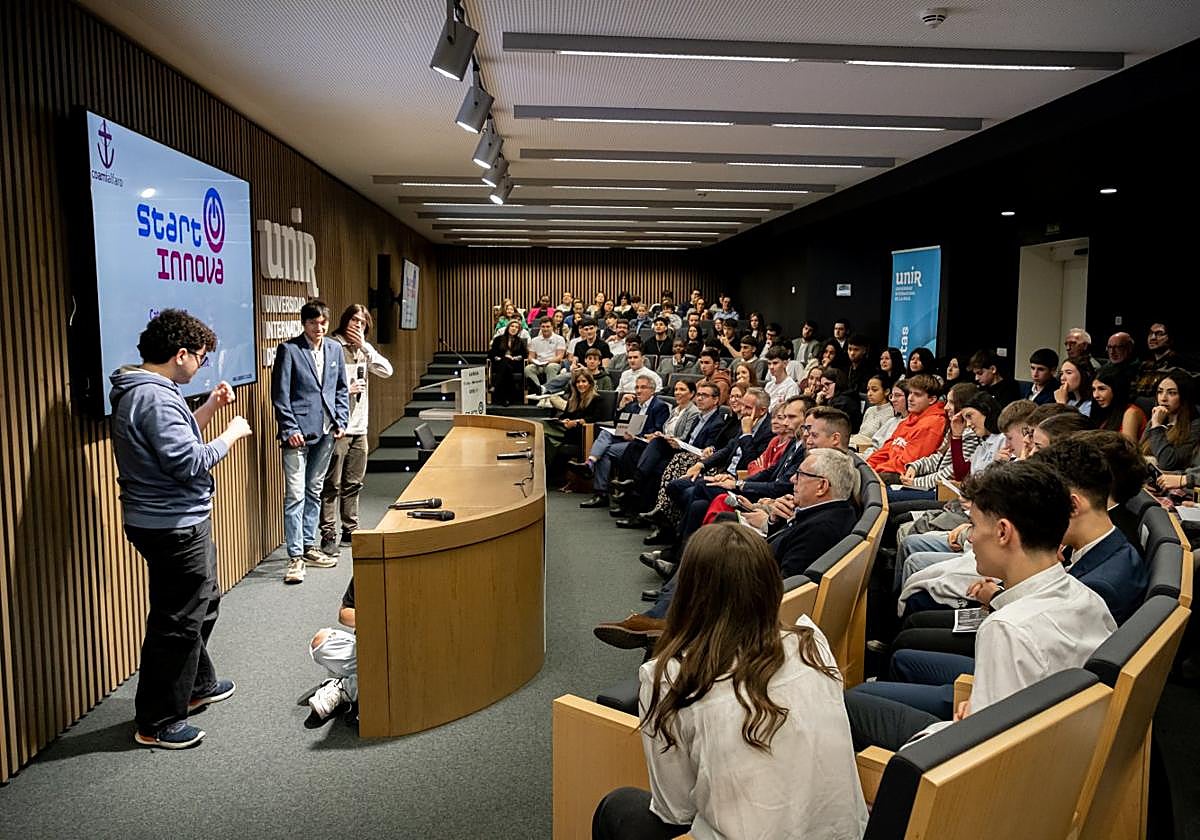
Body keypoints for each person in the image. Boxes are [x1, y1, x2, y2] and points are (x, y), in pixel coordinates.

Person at [592, 522, 868, 840]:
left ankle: (662, 630)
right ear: (770, 586)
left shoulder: (669, 678)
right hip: (844, 834)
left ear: (686, 594)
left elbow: (675, 809)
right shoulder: (811, 642)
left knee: (617, 807)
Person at [845, 459, 1117, 746]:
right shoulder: (1089, 598)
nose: (971, 537)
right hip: (1062, 744)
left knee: (848, 705)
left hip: (986, 765)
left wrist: (965, 723)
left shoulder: (1008, 629)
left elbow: (986, 751)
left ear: (1003, 532)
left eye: (973, 525)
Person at [110, 309, 253, 749]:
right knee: (177, 622)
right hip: (171, 525)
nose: (202, 366)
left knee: (201, 604)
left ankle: (194, 685)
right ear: (181, 354)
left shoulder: (152, 391)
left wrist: (209, 407)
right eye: (201, 358)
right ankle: (157, 721)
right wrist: (231, 434)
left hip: (173, 519)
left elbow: (178, 445)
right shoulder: (152, 396)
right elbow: (188, 463)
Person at [271, 300, 349, 585]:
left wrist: (341, 420)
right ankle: (294, 557)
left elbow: (340, 387)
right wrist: (289, 426)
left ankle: (308, 546)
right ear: (304, 323)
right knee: (295, 494)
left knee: (314, 490)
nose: (320, 327)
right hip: (297, 433)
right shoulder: (289, 350)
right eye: (314, 323)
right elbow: (280, 395)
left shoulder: (334, 349)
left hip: (327, 430)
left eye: (323, 322)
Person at [319, 305, 393, 555]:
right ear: (344, 321)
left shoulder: (363, 350)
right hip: (337, 427)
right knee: (332, 483)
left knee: (354, 482)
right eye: (353, 320)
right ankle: (328, 532)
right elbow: (319, 386)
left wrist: (364, 347)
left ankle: (350, 528)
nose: (357, 326)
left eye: (362, 322)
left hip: (360, 426)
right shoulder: (332, 346)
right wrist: (344, 390)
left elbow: (386, 371)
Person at [867, 374, 946, 481]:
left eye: (917, 395)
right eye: (910, 393)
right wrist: (869, 466)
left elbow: (907, 463)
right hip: (887, 469)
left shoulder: (933, 423)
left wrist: (876, 471)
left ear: (931, 399)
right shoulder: (912, 417)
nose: (910, 399)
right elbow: (886, 449)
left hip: (903, 475)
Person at [306, 578, 358, 722]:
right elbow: (344, 614)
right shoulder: (367, 570)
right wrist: (376, 618)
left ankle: (344, 688)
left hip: (403, 649)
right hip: (367, 646)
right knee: (320, 642)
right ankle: (356, 683)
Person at [543, 370, 609, 483]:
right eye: (578, 382)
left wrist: (577, 422)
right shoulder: (573, 399)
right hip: (567, 430)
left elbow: (597, 418)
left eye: (584, 381)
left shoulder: (597, 399)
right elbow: (564, 416)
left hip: (582, 433)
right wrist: (565, 421)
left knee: (544, 428)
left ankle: (551, 476)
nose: (581, 384)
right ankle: (548, 475)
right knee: (544, 436)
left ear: (590, 383)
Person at [1141, 373, 1200, 469]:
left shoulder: (1194, 425)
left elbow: (1167, 462)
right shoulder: (1158, 418)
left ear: (1184, 396)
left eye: (1172, 393)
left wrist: (1156, 426)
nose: (1163, 398)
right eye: (1160, 392)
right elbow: (1139, 452)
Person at [1092, 364, 1146, 443]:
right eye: (1093, 389)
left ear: (1117, 389)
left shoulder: (1131, 413)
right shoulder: (1104, 411)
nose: (1095, 395)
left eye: (1102, 389)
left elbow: (1128, 451)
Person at [488, 319, 526, 407]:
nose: (514, 328)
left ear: (519, 330)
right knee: (506, 366)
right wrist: (501, 358)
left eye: (516, 327)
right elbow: (492, 353)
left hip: (515, 364)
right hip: (500, 364)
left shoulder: (520, 341)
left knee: (507, 365)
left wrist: (513, 358)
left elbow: (523, 355)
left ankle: (496, 386)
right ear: (508, 327)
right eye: (512, 326)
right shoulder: (498, 339)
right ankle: (507, 398)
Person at [525, 316, 567, 390]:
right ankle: (538, 389)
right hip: (538, 365)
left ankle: (548, 392)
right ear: (540, 327)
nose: (545, 329)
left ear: (552, 327)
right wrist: (536, 362)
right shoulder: (535, 340)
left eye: (548, 326)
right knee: (528, 369)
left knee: (550, 367)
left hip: (553, 363)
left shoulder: (559, 339)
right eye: (543, 327)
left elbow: (560, 356)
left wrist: (547, 362)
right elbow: (530, 357)